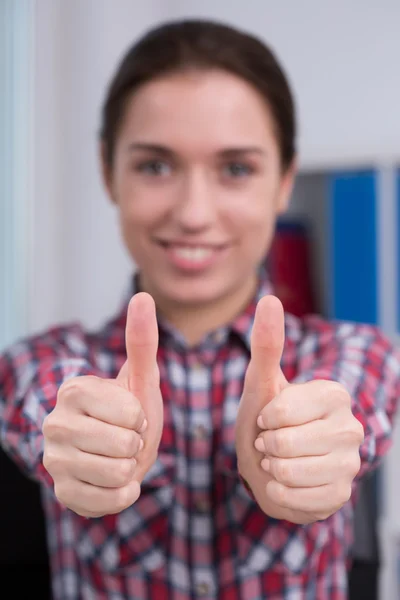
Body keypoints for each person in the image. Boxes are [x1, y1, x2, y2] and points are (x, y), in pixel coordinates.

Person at [0, 18, 399, 600]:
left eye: (235, 169)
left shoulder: (359, 353)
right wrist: (84, 445)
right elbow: (44, 403)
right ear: (109, 171)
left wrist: (304, 448)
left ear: (284, 180)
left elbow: (355, 400)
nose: (193, 212)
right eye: (155, 165)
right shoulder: (43, 362)